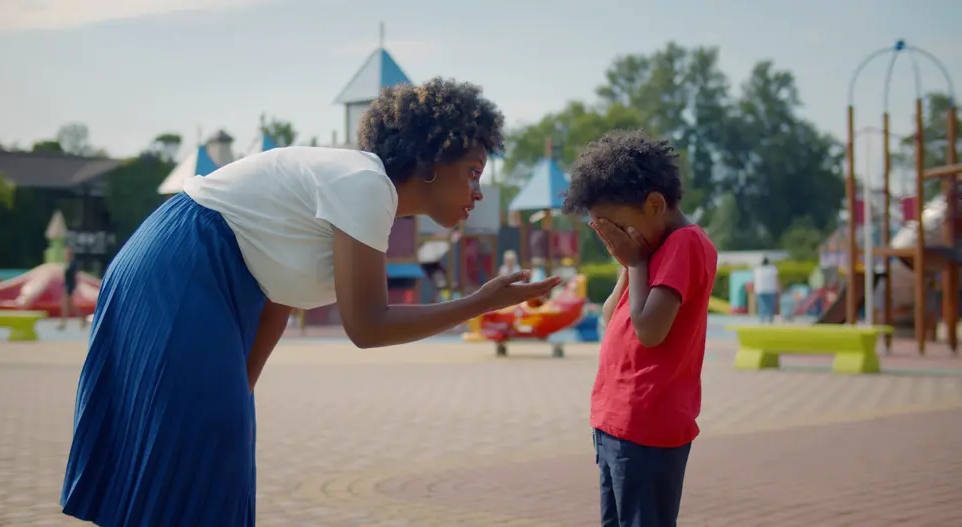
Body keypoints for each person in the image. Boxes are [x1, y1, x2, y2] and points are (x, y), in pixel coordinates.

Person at [60, 78, 563, 527]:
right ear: (432, 163)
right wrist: (478, 303)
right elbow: (367, 326)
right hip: (181, 265)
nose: (478, 191)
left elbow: (280, 293)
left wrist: (240, 393)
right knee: (193, 463)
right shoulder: (367, 184)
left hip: (182, 263)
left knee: (206, 453)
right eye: (472, 171)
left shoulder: (363, 196)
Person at [562, 129, 718, 527]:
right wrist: (629, 263)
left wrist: (635, 262)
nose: (613, 237)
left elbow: (649, 330)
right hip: (616, 421)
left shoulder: (686, 244)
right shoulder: (651, 250)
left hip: (648, 424)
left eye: (617, 226)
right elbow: (610, 314)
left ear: (654, 204)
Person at [58, 246, 85, 330]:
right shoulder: (67, 263)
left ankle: (63, 323)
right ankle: (81, 319)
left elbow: (74, 277)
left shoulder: (72, 264)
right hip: (67, 286)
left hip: (69, 287)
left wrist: (72, 287)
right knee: (70, 306)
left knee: (66, 306)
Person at [753, 256, 779, 324]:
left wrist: (754, 289)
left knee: (762, 305)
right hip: (770, 289)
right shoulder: (773, 269)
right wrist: (778, 288)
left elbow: (755, 280)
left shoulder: (757, 269)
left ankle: (762, 318)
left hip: (760, 289)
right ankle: (770, 318)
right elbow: (776, 279)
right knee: (770, 305)